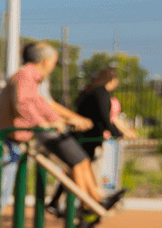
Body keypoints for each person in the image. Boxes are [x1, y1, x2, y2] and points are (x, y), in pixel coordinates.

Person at [0, 42, 122, 228]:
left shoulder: (31, 80)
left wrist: (57, 120)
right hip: (2, 141)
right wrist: (42, 123)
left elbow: (40, 103)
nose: (53, 66)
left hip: (9, 141)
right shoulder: (25, 76)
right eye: (54, 62)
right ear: (46, 61)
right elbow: (23, 104)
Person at [48, 66, 137, 217]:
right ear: (112, 80)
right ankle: (87, 203)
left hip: (84, 136)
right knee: (81, 168)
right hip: (86, 137)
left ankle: (77, 202)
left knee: (79, 169)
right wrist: (118, 133)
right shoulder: (100, 92)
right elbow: (104, 118)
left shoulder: (92, 91)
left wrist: (121, 132)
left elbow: (107, 118)